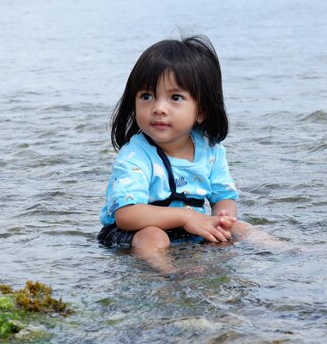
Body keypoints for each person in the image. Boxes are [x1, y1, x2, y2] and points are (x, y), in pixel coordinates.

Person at [97, 35, 253, 276]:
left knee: (240, 228)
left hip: (187, 229)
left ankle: (285, 249)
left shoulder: (211, 149)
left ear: (201, 111)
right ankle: (171, 273)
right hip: (133, 231)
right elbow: (126, 215)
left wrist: (222, 219)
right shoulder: (135, 154)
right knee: (153, 236)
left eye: (175, 98)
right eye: (147, 96)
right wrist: (186, 217)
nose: (159, 108)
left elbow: (224, 196)